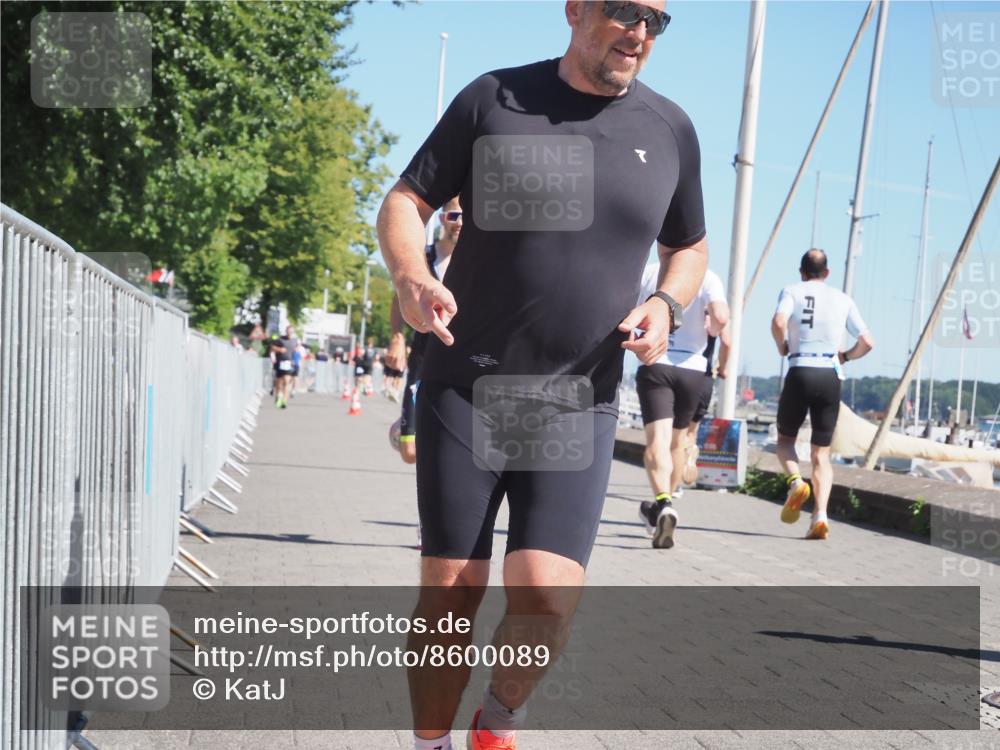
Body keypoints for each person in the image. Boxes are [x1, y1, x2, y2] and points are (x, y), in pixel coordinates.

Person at [376, 3, 707, 748]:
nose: (640, 32)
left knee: (548, 596)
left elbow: (688, 248)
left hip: (578, 399)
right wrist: (410, 275)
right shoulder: (493, 99)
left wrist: (666, 298)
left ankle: (497, 720)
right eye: (625, 12)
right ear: (577, 9)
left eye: (658, 20)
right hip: (469, 387)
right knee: (451, 595)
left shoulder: (670, 129)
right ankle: (427, 743)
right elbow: (405, 201)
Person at [771, 248, 874, 540]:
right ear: (826, 273)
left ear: (802, 271)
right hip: (830, 374)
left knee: (786, 441)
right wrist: (846, 356)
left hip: (800, 368)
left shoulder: (792, 290)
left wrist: (782, 346)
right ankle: (820, 516)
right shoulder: (843, 299)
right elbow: (868, 341)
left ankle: (795, 483)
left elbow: (779, 322)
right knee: (821, 455)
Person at [635, 265, 728, 548]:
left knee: (657, 441)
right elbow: (722, 317)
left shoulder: (648, 272)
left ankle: (662, 503)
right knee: (679, 443)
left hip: (656, 361)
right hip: (692, 369)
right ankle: (669, 502)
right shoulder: (707, 276)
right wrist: (711, 328)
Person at [386, 197, 462, 465]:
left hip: (461, 362)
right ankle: (410, 419)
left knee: (450, 449)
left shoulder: (474, 263)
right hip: (423, 358)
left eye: (466, 216)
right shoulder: (423, 258)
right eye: (454, 216)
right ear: (443, 219)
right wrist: (396, 338)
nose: (460, 222)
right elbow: (399, 298)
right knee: (409, 453)